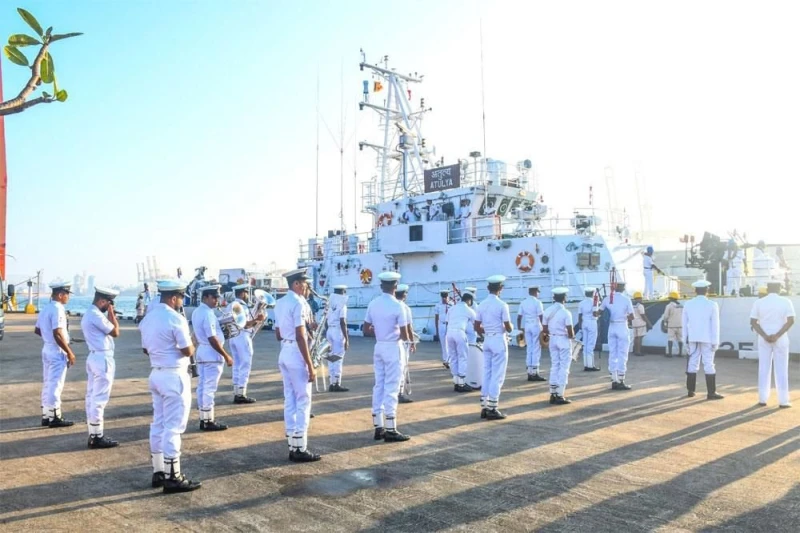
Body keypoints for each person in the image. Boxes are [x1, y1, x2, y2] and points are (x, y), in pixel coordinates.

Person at [140, 279, 202, 493]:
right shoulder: (176, 318)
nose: (182, 301)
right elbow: (187, 350)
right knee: (174, 427)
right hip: (174, 375)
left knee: (158, 423)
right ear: (174, 298)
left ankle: (158, 471)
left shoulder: (148, 319)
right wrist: (194, 342)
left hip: (156, 373)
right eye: (181, 298)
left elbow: (146, 349)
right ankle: (173, 476)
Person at [274, 268, 322, 461]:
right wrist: (310, 365)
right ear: (296, 284)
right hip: (297, 353)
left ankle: (292, 443)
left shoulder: (280, 303)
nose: (306, 286)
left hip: (285, 351)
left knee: (290, 398)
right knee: (303, 400)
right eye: (304, 283)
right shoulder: (299, 303)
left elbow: (278, 334)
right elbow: (300, 336)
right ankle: (300, 448)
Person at [363, 271, 411, 442]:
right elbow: (404, 334)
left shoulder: (373, 304)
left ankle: (378, 426)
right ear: (395, 286)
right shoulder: (398, 306)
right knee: (392, 387)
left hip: (379, 346)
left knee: (379, 385)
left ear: (381, 285)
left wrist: (380, 333)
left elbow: (366, 330)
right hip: (392, 347)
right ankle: (391, 428)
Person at [81, 286, 121, 449]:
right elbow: (115, 332)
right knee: (99, 399)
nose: (110, 306)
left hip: (94, 356)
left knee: (92, 396)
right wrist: (112, 313)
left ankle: (94, 432)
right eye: (109, 303)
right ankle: (97, 436)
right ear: (103, 301)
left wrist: (110, 312)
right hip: (102, 359)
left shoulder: (90, 313)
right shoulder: (96, 315)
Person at [35, 281, 76, 428]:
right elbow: (57, 333)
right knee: (55, 384)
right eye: (67, 294)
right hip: (56, 350)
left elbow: (37, 330)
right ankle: (55, 417)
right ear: (60, 295)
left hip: (47, 348)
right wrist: (69, 352)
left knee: (48, 383)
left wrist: (48, 339)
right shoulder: (58, 309)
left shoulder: (46, 308)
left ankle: (46, 415)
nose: (68, 297)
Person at [192, 285, 234, 430]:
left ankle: (203, 417)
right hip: (211, 353)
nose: (217, 300)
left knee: (202, 387)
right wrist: (226, 355)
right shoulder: (208, 314)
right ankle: (208, 420)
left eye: (217, 297)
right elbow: (212, 338)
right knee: (209, 388)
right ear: (205, 297)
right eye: (214, 297)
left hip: (202, 352)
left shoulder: (197, 312)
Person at [750, 281, 795, 408]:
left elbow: (753, 322)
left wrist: (764, 335)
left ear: (767, 289)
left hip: (763, 338)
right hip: (780, 339)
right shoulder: (786, 301)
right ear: (779, 289)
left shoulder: (759, 302)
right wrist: (777, 335)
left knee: (763, 368)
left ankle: (762, 399)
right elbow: (791, 320)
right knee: (782, 369)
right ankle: (783, 401)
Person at [474, 275, 513, 419]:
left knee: (487, 373)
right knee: (498, 375)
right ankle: (492, 407)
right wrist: (509, 327)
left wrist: (486, 333)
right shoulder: (502, 305)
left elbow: (476, 326)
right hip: (498, 340)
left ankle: (484, 406)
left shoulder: (481, 305)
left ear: (488, 288)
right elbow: (508, 327)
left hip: (488, 340)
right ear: (500, 288)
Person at [682, 280, 723, 400]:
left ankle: (690, 391)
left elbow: (684, 324)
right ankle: (711, 393)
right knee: (709, 364)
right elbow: (715, 325)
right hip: (707, 338)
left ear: (695, 290)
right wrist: (715, 342)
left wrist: (684, 341)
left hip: (692, 338)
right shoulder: (712, 304)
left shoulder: (688, 304)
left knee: (692, 363)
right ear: (707, 290)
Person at [229, 283, 265, 403]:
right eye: (246, 292)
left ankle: (237, 391)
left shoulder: (231, 305)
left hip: (233, 337)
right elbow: (244, 324)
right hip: (242, 336)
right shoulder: (241, 307)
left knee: (237, 365)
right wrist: (257, 320)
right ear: (242, 293)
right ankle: (241, 393)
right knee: (245, 364)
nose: (247, 295)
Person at [599, 281, 635, 390]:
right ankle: (621, 380)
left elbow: (598, 312)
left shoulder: (607, 299)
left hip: (611, 327)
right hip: (622, 326)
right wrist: (624, 316)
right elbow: (632, 317)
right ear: (623, 288)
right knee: (622, 354)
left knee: (613, 353)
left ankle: (614, 379)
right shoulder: (626, 299)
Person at [542, 287, 575, 405]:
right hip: (563, 340)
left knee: (555, 365)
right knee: (564, 367)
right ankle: (560, 394)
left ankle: (553, 393)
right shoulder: (566, 312)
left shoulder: (547, 311)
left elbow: (544, 329)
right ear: (564, 298)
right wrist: (571, 336)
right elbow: (570, 333)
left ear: (554, 297)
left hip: (553, 339)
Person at [446, 292, 477, 392]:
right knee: (463, 357)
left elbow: (447, 321)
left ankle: (456, 382)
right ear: (469, 300)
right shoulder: (469, 310)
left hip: (449, 333)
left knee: (453, 357)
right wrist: (482, 335)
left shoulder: (452, 308)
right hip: (460, 333)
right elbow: (476, 324)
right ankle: (462, 383)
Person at [517, 286, 545, 381]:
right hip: (535, 325)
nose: (538, 294)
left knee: (529, 348)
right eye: (538, 292)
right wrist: (544, 328)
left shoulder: (523, 302)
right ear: (535, 292)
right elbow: (541, 316)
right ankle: (535, 372)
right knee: (536, 348)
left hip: (527, 325)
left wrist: (519, 328)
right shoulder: (537, 302)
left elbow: (519, 317)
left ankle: (529, 372)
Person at [326, 284, 350, 392]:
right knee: (338, 357)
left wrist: (327, 333)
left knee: (331, 357)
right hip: (337, 331)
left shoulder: (329, 304)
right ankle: (337, 383)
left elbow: (326, 320)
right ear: (343, 292)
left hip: (329, 330)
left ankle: (332, 382)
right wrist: (346, 338)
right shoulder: (342, 305)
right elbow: (342, 322)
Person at [395, 284, 415, 403]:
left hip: (387, 342)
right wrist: (412, 342)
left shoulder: (390, 305)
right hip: (402, 342)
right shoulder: (405, 308)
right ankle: (400, 393)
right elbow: (408, 328)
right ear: (404, 294)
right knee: (402, 367)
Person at [575, 287, 600, 371]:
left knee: (585, 344)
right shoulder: (594, 302)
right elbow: (595, 314)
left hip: (584, 322)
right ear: (592, 293)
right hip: (592, 322)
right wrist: (599, 314)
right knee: (591, 345)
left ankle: (586, 364)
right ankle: (590, 365)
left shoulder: (581, 303)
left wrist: (580, 326)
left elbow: (579, 316)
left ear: (585, 294)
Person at [661, 291, 684, 358]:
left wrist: (665, 322)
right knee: (680, 339)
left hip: (671, 325)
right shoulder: (681, 306)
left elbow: (666, 316)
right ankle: (680, 353)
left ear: (671, 298)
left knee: (670, 339)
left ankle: (670, 353)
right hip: (680, 325)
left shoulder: (669, 306)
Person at [631, 292, 652, 356]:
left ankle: (635, 351)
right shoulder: (640, 306)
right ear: (638, 298)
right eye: (640, 298)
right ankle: (638, 352)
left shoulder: (632, 306)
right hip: (640, 323)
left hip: (634, 323)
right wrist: (649, 323)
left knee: (636, 337)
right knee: (640, 337)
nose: (641, 299)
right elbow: (643, 315)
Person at [434, 290, 451, 369]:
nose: (444, 298)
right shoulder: (438, 305)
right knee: (443, 344)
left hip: (450, 325)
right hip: (441, 325)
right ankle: (445, 360)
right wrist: (436, 330)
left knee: (450, 343)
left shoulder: (452, 304)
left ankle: (449, 360)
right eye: (443, 297)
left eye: (445, 297)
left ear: (448, 296)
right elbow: (436, 318)